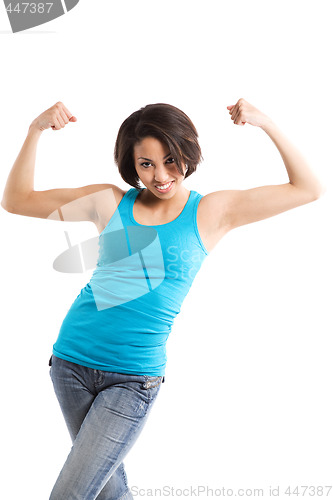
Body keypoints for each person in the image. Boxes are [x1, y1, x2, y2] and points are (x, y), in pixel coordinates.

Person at [1, 99, 324, 499]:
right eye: (146, 164)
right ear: (131, 166)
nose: (160, 175)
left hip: (133, 378)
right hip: (71, 365)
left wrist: (265, 122)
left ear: (187, 152)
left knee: (70, 494)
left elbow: (308, 189)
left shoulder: (211, 211)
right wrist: (35, 129)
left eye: (171, 159)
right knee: (107, 492)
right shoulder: (109, 201)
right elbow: (15, 200)